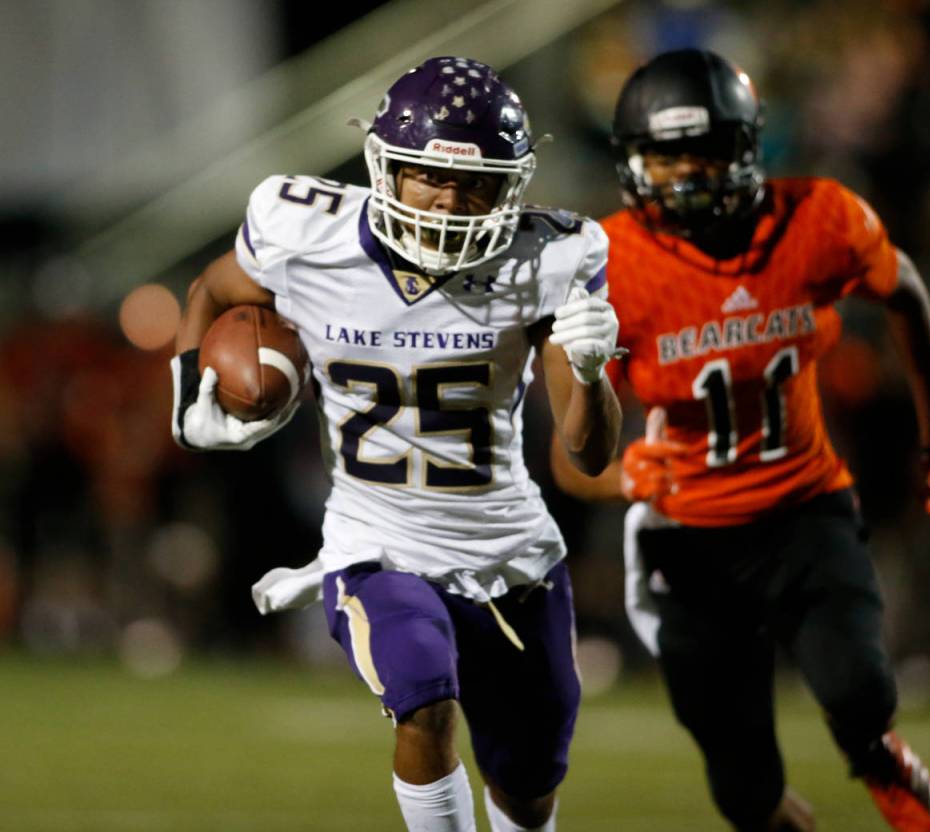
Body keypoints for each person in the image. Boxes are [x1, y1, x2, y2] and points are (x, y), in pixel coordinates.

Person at [170, 57, 623, 832]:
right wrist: (187, 401)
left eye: (477, 184)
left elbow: (588, 454)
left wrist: (590, 370)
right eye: (425, 176)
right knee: (424, 699)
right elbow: (214, 288)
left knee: (529, 783)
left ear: (511, 185)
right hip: (376, 544)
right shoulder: (304, 230)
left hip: (511, 553)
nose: (449, 200)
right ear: (385, 167)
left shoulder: (549, 257)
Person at [550, 49, 930, 832]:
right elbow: (570, 464)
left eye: (702, 153)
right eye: (664, 157)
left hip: (804, 510)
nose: (683, 176)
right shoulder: (604, 265)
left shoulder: (817, 218)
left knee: (862, 692)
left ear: (746, 147)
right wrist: (624, 479)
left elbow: (907, 293)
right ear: (633, 163)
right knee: (743, 786)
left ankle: (872, 752)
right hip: (688, 539)